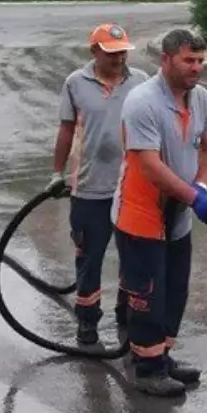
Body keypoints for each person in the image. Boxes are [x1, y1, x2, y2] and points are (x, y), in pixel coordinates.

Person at [113, 27, 207, 398]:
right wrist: (194, 199)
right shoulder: (142, 101)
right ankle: (146, 368)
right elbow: (149, 165)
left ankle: (163, 357)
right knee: (147, 292)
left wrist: (202, 188)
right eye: (188, 60)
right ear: (166, 60)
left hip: (177, 213)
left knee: (175, 288)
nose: (197, 68)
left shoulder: (202, 99)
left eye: (200, 61)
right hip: (141, 214)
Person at [52, 23, 147, 351]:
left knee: (134, 257)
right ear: (94, 52)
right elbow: (66, 129)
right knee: (89, 259)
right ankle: (88, 325)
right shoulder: (76, 84)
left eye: (122, 52)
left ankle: (127, 316)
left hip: (133, 188)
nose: (119, 58)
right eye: (111, 53)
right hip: (90, 188)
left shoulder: (141, 82)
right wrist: (56, 172)